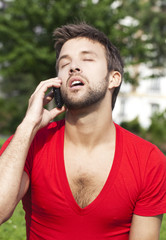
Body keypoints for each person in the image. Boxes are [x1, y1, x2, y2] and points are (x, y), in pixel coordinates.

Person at [0, 22, 166, 240]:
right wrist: (28, 125)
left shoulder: (149, 161)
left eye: (87, 59)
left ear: (113, 78)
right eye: (64, 63)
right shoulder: (29, 143)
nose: (73, 67)